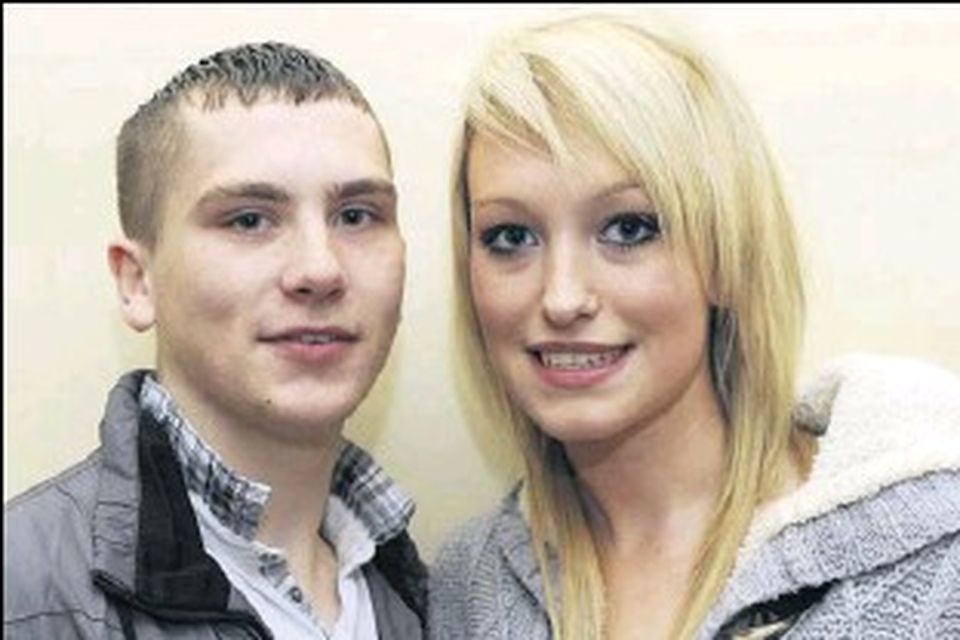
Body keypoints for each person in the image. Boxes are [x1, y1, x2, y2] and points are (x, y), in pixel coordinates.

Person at [429, 12, 960, 640]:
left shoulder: (938, 559)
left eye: (628, 228)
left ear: (726, 257)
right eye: (511, 236)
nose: (562, 297)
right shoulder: (465, 590)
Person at [5, 42, 426, 639]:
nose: (320, 269)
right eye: (249, 220)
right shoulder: (24, 595)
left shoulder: (431, 601)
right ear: (138, 282)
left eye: (356, 216)